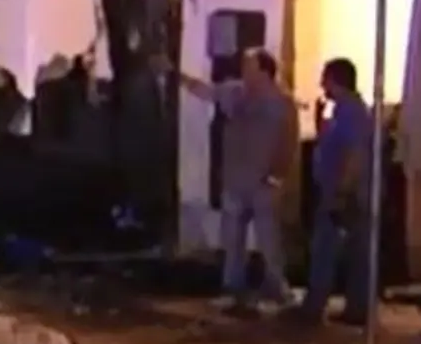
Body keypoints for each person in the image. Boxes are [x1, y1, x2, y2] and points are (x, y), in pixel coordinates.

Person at [155, 48, 296, 315]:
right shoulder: (235, 92)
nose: (244, 70)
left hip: (264, 180)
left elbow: (289, 139)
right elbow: (205, 91)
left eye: (250, 66)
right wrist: (175, 74)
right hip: (236, 177)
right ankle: (233, 289)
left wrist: (278, 176)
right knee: (231, 237)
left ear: (265, 71)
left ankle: (277, 287)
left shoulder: (281, 102)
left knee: (268, 239)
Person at [294, 57, 376, 327]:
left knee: (326, 248)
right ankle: (354, 307)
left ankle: (316, 305)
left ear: (336, 80)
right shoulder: (342, 111)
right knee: (349, 250)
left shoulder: (351, 112)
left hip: (344, 193)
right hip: (340, 190)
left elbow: (355, 153)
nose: (321, 85)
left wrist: (343, 189)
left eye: (325, 79)